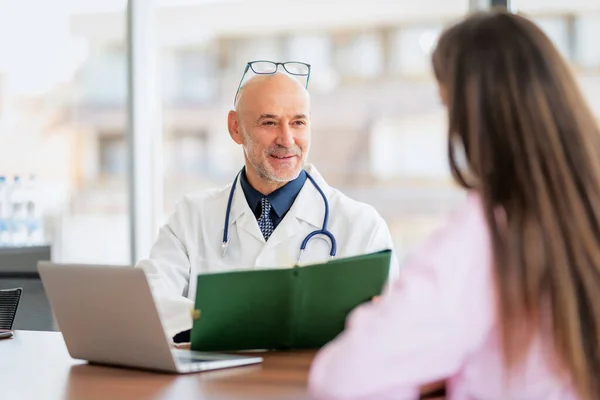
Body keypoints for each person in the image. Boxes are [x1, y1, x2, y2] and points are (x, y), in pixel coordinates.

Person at [308, 10, 600, 400]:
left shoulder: (488, 233)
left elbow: (343, 377)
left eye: (449, 108)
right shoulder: (583, 209)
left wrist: (394, 322)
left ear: (476, 118)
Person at [136, 65, 399, 341]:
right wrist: (242, 324)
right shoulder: (192, 217)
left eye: (298, 122)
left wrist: (215, 322)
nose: (287, 140)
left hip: (310, 383)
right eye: (269, 122)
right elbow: (147, 297)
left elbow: (387, 332)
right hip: (216, 384)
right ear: (235, 128)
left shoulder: (362, 227)